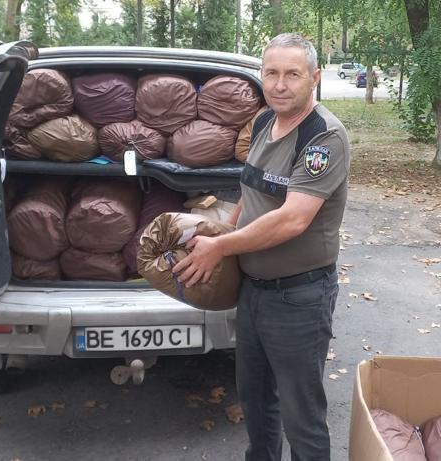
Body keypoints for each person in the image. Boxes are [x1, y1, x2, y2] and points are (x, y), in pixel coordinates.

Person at [173, 33, 350, 461]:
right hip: (253, 290)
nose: (280, 84)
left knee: (301, 415)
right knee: (256, 402)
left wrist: (222, 248)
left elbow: (293, 218)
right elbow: (250, 192)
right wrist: (217, 235)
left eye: (293, 74)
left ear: (315, 78)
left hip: (300, 297)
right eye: (271, 73)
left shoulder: (323, 139)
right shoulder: (261, 123)